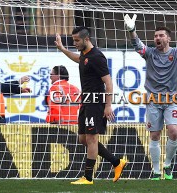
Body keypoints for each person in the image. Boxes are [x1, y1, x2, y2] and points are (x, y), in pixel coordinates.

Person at [124, 13, 177, 180]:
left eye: (161, 35)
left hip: (172, 100)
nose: (157, 38)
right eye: (155, 36)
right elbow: (136, 44)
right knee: (154, 135)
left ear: (168, 38)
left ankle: (168, 165)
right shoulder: (149, 53)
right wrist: (132, 30)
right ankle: (156, 171)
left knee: (174, 131)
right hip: (153, 100)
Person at [55, 26, 127, 184]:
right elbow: (79, 59)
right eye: (73, 40)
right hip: (86, 101)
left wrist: (108, 106)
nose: (75, 43)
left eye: (77, 40)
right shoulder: (85, 54)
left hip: (96, 102)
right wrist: (62, 49)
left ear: (86, 39)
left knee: (92, 139)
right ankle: (116, 162)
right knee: (83, 139)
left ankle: (87, 177)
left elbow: (108, 82)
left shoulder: (97, 57)